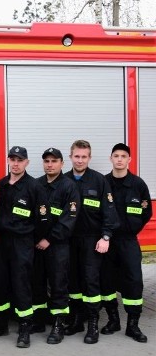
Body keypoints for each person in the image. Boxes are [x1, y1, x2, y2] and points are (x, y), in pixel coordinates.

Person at [0, 146, 50, 348]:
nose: (16, 163)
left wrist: (34, 238)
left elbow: (43, 219)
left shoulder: (34, 187)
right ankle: (0, 325)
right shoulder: (1, 185)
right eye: (12, 159)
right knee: (0, 283)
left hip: (23, 243)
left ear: (27, 163)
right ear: (8, 160)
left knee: (21, 284)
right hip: (2, 242)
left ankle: (25, 328)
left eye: (20, 160)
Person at [64, 140, 119, 344]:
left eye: (84, 156)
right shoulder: (65, 180)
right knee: (74, 281)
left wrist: (106, 237)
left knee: (91, 281)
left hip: (91, 240)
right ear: (70, 157)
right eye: (76, 156)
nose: (80, 160)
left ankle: (93, 323)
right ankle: (77, 320)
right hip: (69, 241)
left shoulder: (99, 181)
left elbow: (109, 212)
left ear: (89, 157)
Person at [100, 143, 152, 343]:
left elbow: (146, 212)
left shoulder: (138, 185)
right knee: (106, 281)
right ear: (111, 158)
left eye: (123, 156)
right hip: (108, 241)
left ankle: (133, 325)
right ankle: (113, 320)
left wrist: (133, 228)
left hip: (129, 241)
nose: (120, 159)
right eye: (116, 155)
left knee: (134, 282)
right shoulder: (103, 183)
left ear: (129, 159)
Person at [33, 147, 80, 344]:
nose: (50, 164)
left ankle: (58, 325)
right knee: (37, 283)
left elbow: (69, 218)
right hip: (36, 245)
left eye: (54, 161)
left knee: (59, 285)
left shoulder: (69, 187)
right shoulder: (36, 184)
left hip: (58, 246)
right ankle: (39, 321)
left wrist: (49, 239)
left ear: (62, 163)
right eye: (46, 161)